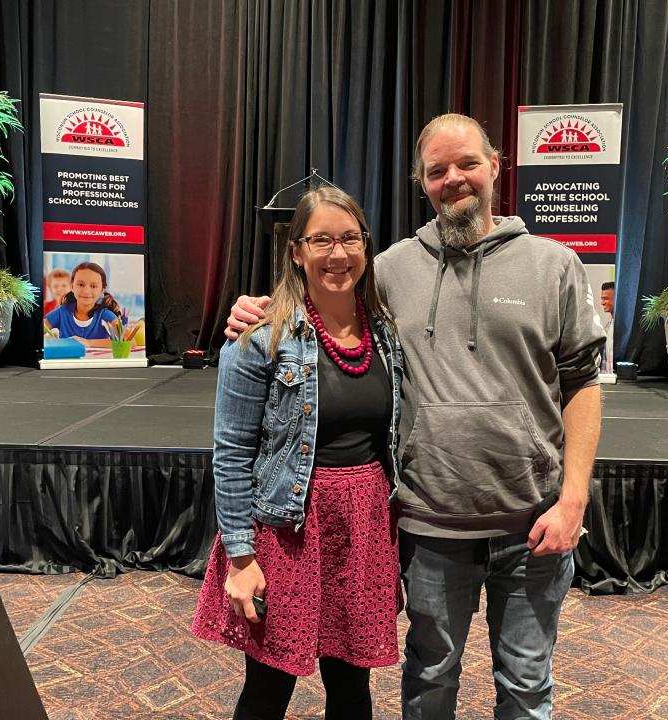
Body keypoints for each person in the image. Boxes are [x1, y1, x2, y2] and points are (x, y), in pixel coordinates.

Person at [227, 113, 604, 719]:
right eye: (437, 170)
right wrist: (255, 311)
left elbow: (584, 383)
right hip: (430, 526)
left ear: (496, 167)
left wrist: (574, 500)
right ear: (420, 181)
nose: (454, 179)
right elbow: (322, 292)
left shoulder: (553, 264)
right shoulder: (391, 268)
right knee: (429, 680)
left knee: (528, 685)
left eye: (467, 164)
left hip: (533, 523)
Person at [192, 187, 404, 720]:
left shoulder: (386, 333)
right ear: (296, 250)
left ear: (366, 244)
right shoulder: (259, 338)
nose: (338, 254)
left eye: (350, 238)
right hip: (289, 530)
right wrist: (241, 559)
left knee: (353, 689)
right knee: (269, 688)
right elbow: (232, 454)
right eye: (322, 240)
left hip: (364, 527)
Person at [44, 262, 121, 347]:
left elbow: (129, 342)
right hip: (68, 360)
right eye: (81, 284)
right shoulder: (61, 312)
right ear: (72, 287)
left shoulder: (105, 315)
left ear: (102, 290)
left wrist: (89, 343)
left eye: (93, 286)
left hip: (96, 360)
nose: (86, 291)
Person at [600, 281, 615, 373]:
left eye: (606, 298)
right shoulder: (607, 327)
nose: (602, 303)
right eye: (602, 299)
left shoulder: (623, 329)